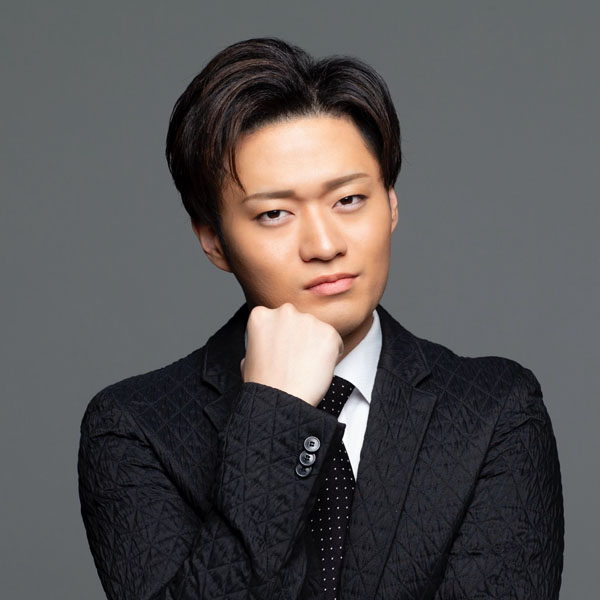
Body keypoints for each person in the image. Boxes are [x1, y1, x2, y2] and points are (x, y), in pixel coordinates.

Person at [78, 37, 564, 599]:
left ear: (392, 204)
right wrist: (275, 416)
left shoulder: (494, 412)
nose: (325, 245)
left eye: (349, 200)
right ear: (214, 241)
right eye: (274, 213)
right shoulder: (135, 428)